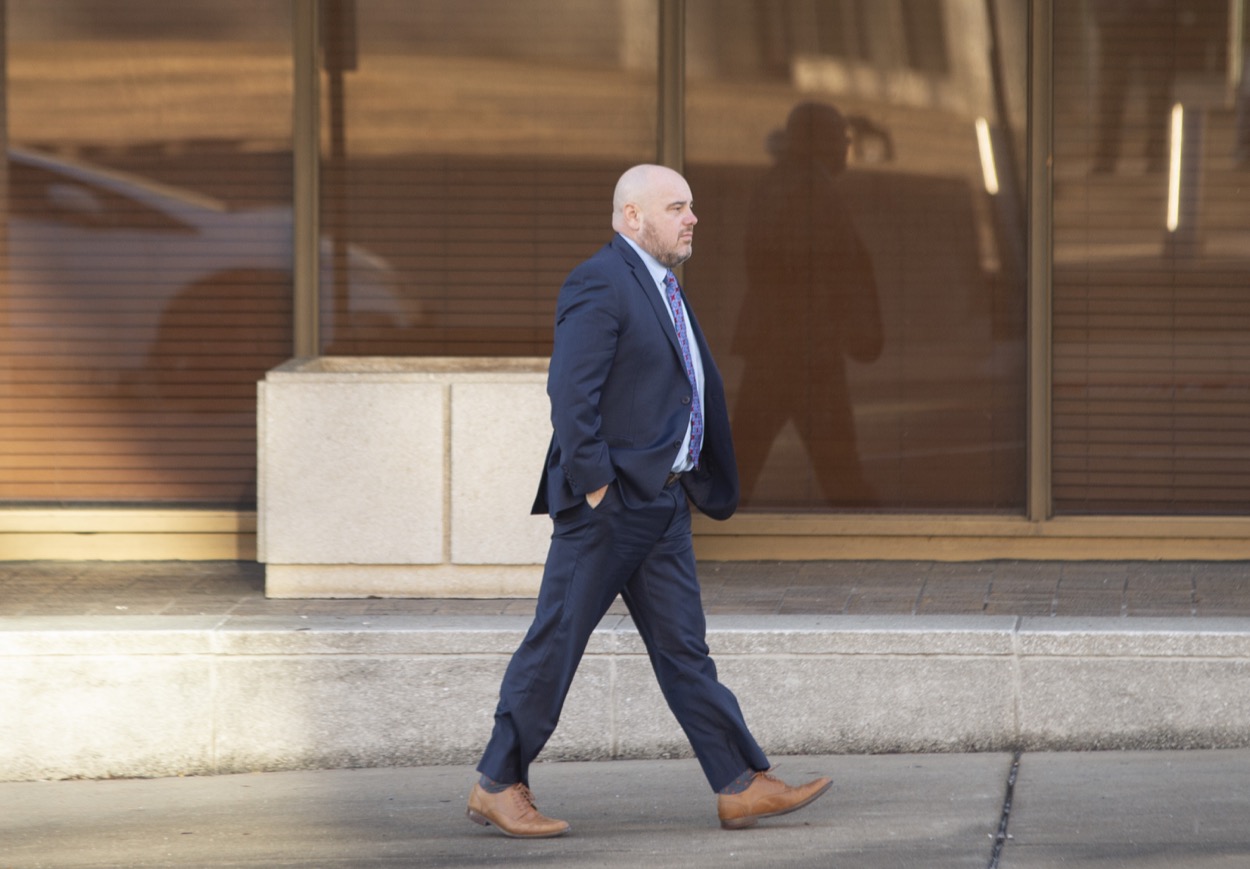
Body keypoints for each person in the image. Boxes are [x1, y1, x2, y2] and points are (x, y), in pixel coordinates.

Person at [466, 164, 831, 838]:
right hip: (610, 507)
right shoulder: (600, 280)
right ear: (632, 216)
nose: (692, 218)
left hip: (663, 504)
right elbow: (570, 394)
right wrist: (598, 486)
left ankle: (740, 783)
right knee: (556, 642)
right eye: (676, 207)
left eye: (691, 206)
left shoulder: (662, 285)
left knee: (684, 651)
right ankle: (497, 782)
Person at [732, 102, 882, 508]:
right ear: (820, 141)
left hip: (780, 345)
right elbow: (812, 270)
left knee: (740, 466)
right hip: (805, 350)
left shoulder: (782, 184)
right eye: (841, 137)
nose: (846, 146)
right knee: (842, 475)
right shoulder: (810, 190)